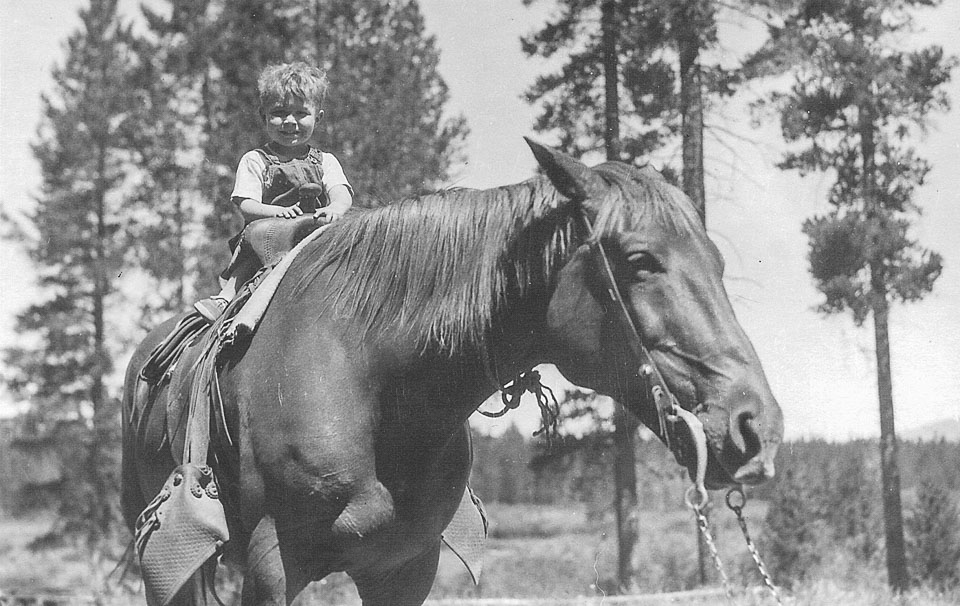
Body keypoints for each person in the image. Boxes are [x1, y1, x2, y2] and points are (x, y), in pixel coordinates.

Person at [194, 62, 353, 322]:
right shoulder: (255, 160)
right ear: (263, 115)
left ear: (318, 117)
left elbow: (341, 191)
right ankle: (227, 297)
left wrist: (335, 208)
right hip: (271, 233)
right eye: (279, 112)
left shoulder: (325, 161)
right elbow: (246, 204)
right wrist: (278, 212)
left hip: (314, 231)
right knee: (253, 239)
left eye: (301, 113)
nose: (289, 121)